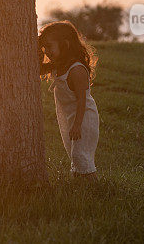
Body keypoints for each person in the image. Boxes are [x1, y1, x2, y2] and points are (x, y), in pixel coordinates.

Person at [39, 20, 99, 182]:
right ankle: (80, 185)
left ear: (65, 44)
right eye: (45, 47)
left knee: (80, 155)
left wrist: (77, 125)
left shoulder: (76, 70)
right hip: (70, 118)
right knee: (75, 155)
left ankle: (94, 186)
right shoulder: (60, 65)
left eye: (50, 46)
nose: (47, 51)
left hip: (84, 119)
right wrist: (39, 50)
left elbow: (82, 101)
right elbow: (38, 69)